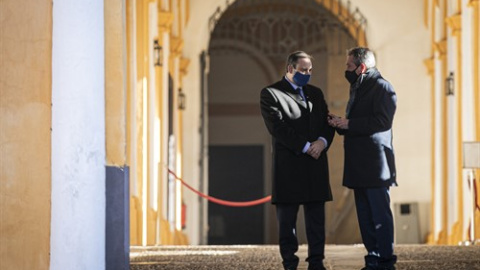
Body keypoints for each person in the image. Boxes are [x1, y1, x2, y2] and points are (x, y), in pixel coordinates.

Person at [260, 51, 335, 270]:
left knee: (316, 222)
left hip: (316, 164)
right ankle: (289, 262)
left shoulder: (315, 93)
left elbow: (326, 121)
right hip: (289, 167)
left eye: (310, 70)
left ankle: (316, 262)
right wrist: (305, 147)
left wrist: (321, 142)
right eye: (303, 70)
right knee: (287, 223)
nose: (308, 74)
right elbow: (277, 127)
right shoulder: (271, 93)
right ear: (290, 69)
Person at [328, 47, 397, 270]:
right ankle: (373, 258)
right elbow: (357, 122)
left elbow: (382, 122)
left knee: (379, 215)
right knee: (366, 217)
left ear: (362, 67)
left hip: (376, 164)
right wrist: (341, 124)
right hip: (359, 163)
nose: (346, 70)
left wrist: (350, 124)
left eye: (349, 66)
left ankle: (386, 261)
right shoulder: (359, 86)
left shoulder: (382, 87)